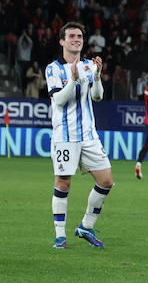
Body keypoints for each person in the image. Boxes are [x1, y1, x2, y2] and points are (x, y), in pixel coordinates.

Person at [46, 22, 115, 248]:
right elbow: (59, 99)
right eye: (72, 36)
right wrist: (74, 79)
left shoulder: (89, 65)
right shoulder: (53, 68)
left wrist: (97, 77)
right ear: (62, 41)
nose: (77, 39)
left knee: (106, 181)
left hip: (89, 135)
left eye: (80, 36)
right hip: (65, 136)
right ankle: (60, 236)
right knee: (63, 183)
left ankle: (85, 226)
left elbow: (97, 97)